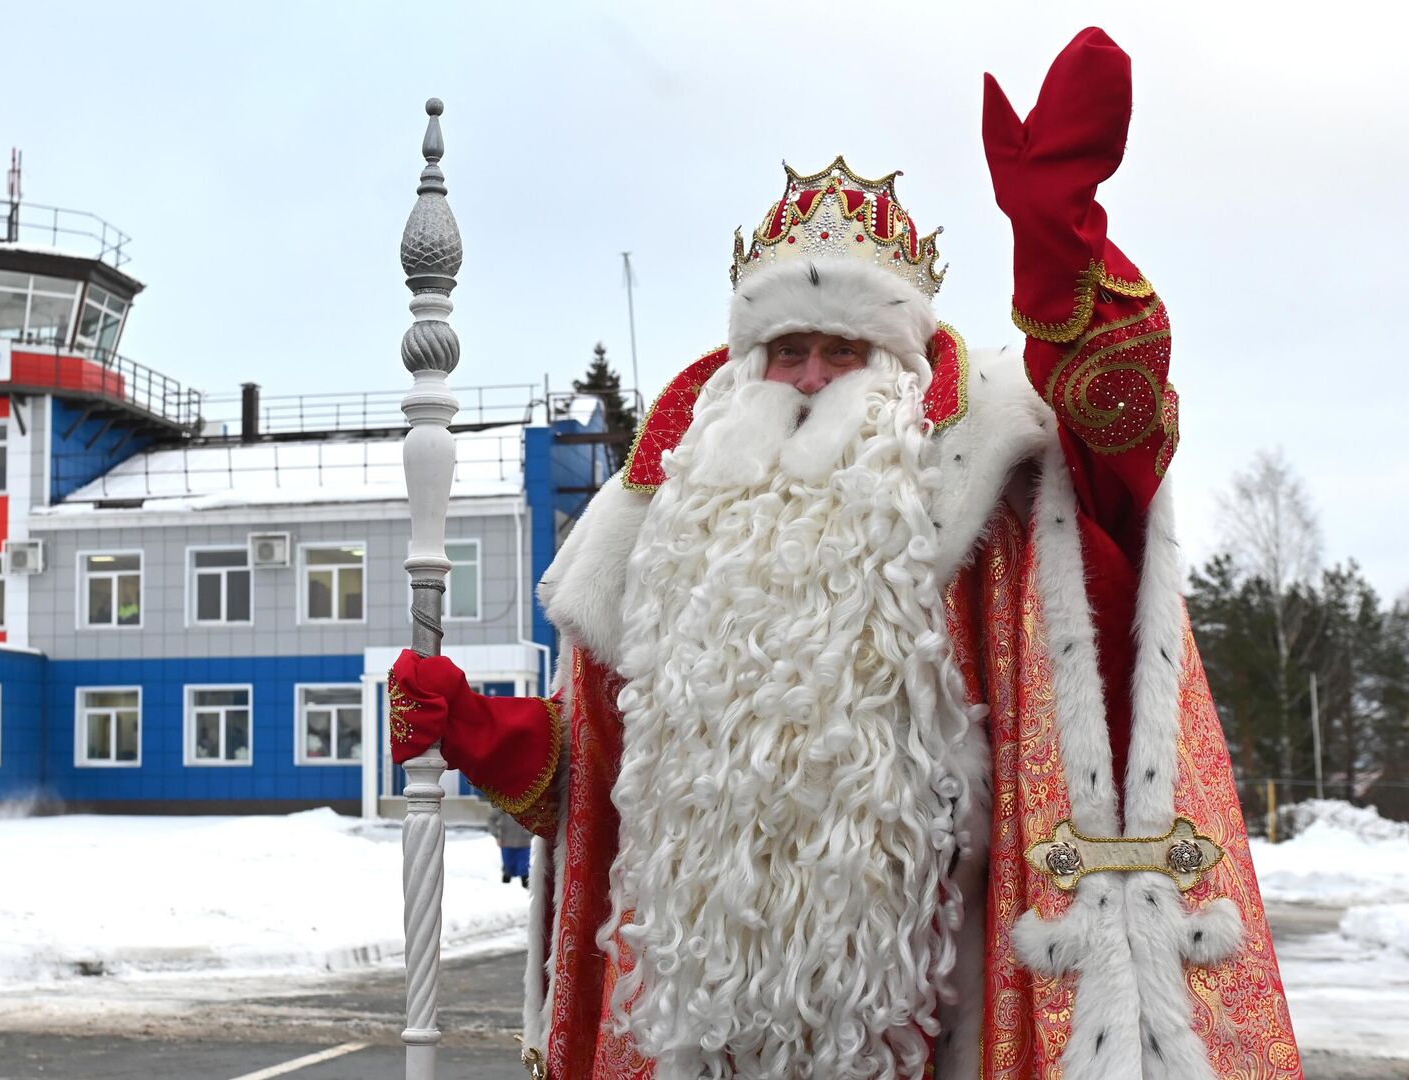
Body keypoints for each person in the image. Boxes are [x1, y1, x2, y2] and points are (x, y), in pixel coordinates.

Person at [387, 28, 1301, 1080]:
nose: (812, 376)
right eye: (786, 349)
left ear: (900, 365)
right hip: (698, 1037)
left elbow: (1121, 461)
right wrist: (486, 735)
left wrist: (1064, 265)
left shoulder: (984, 497)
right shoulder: (674, 525)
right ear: (746, 362)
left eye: (843, 350)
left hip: (927, 1034)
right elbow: (599, 789)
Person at [491, 798, 534, 887]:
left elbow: (537, 819)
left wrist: (532, 833)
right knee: (508, 868)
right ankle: (505, 886)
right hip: (507, 841)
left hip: (524, 841)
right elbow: (491, 820)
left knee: (524, 867)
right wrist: (496, 835)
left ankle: (525, 884)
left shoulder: (529, 801)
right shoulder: (504, 802)